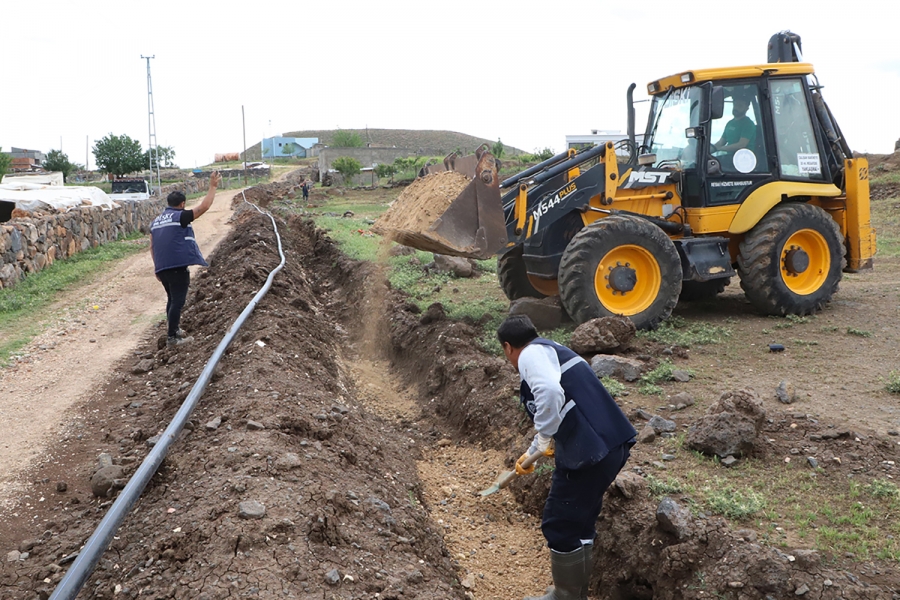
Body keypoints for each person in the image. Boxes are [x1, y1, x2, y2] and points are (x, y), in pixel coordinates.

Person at [497, 315, 637, 600]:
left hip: (590, 452)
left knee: (559, 522)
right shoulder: (551, 350)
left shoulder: (530, 354)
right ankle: (576, 594)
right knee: (580, 523)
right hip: (610, 446)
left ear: (508, 347)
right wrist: (537, 449)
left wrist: (544, 437)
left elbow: (549, 392)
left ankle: (566, 596)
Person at [150, 171, 222, 348]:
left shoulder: (156, 221)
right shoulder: (180, 216)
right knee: (178, 301)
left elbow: (152, 246)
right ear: (182, 204)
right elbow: (204, 207)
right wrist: (212, 186)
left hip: (162, 268)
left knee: (171, 299)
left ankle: (173, 330)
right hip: (176, 267)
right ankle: (173, 337)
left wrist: (157, 268)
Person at [712, 94, 758, 167]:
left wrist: (721, 149)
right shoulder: (730, 123)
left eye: (740, 106)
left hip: (743, 159)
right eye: (735, 105)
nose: (736, 108)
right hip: (730, 157)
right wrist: (711, 149)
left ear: (747, 108)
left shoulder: (748, 124)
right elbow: (721, 142)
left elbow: (742, 144)